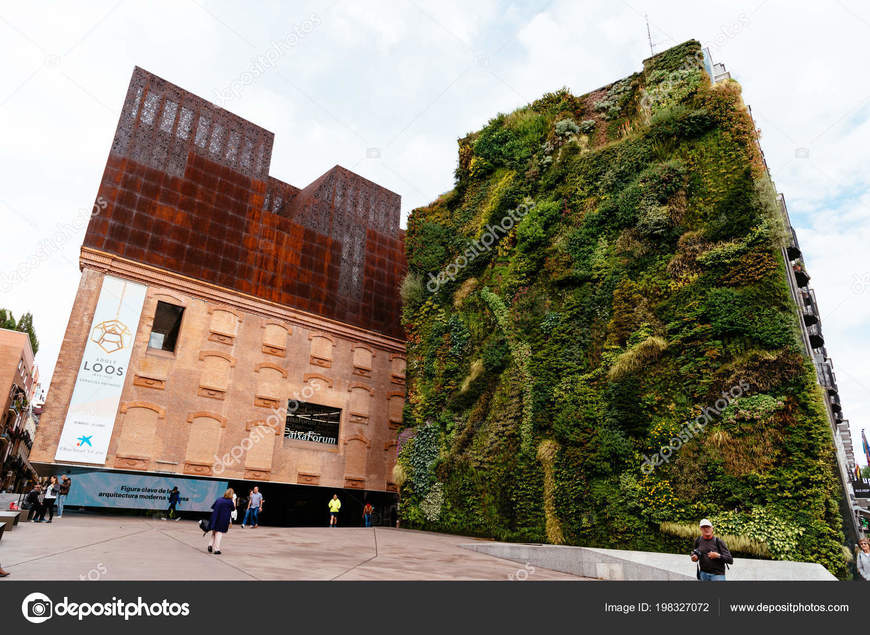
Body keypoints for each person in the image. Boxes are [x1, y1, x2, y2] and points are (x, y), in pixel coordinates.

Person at [207, 488, 235, 555]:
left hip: (215, 518)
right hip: (222, 520)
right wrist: (233, 500)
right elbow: (233, 509)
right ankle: (217, 550)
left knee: (214, 533)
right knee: (219, 534)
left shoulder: (219, 499)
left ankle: (210, 545)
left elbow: (213, 507)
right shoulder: (229, 502)